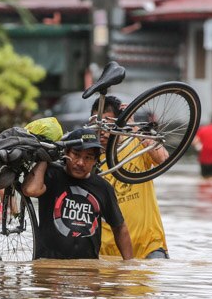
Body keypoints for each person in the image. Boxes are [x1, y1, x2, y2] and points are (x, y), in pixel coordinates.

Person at [21, 128, 132, 260]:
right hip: (49, 268)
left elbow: (119, 227)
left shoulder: (103, 187)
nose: (80, 163)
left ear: (95, 160)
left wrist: (129, 266)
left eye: (88, 158)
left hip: (88, 271)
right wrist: (45, 158)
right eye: (76, 154)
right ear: (66, 153)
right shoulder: (51, 175)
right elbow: (30, 190)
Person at [91, 96, 169, 259]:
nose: (102, 129)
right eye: (98, 123)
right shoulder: (89, 159)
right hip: (108, 252)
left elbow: (163, 159)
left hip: (149, 247)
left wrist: (133, 127)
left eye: (108, 122)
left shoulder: (137, 144)